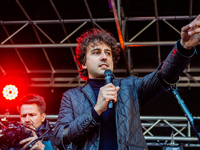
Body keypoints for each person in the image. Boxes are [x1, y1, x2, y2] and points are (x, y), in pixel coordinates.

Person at [54, 14, 200, 150]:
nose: (104, 57)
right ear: (83, 63)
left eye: (108, 53)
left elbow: (164, 76)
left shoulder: (130, 86)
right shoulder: (71, 97)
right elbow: (59, 138)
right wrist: (96, 110)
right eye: (96, 52)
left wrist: (184, 47)